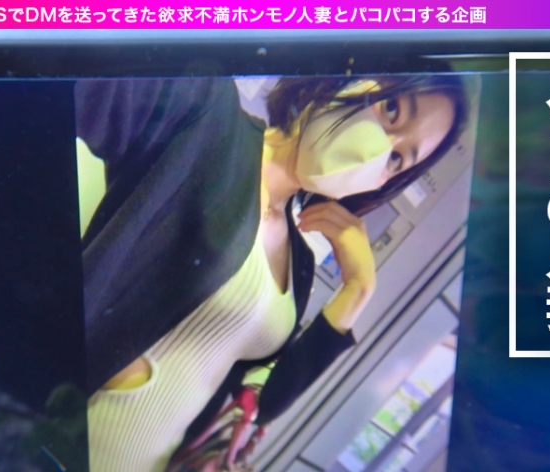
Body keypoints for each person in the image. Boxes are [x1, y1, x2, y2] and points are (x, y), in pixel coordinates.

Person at [75, 68, 468, 471]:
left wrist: (358, 288)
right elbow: (82, 75)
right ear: (348, 73)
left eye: (398, 159)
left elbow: (262, 402)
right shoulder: (210, 122)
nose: (381, 150)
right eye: (393, 109)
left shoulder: (300, 263)